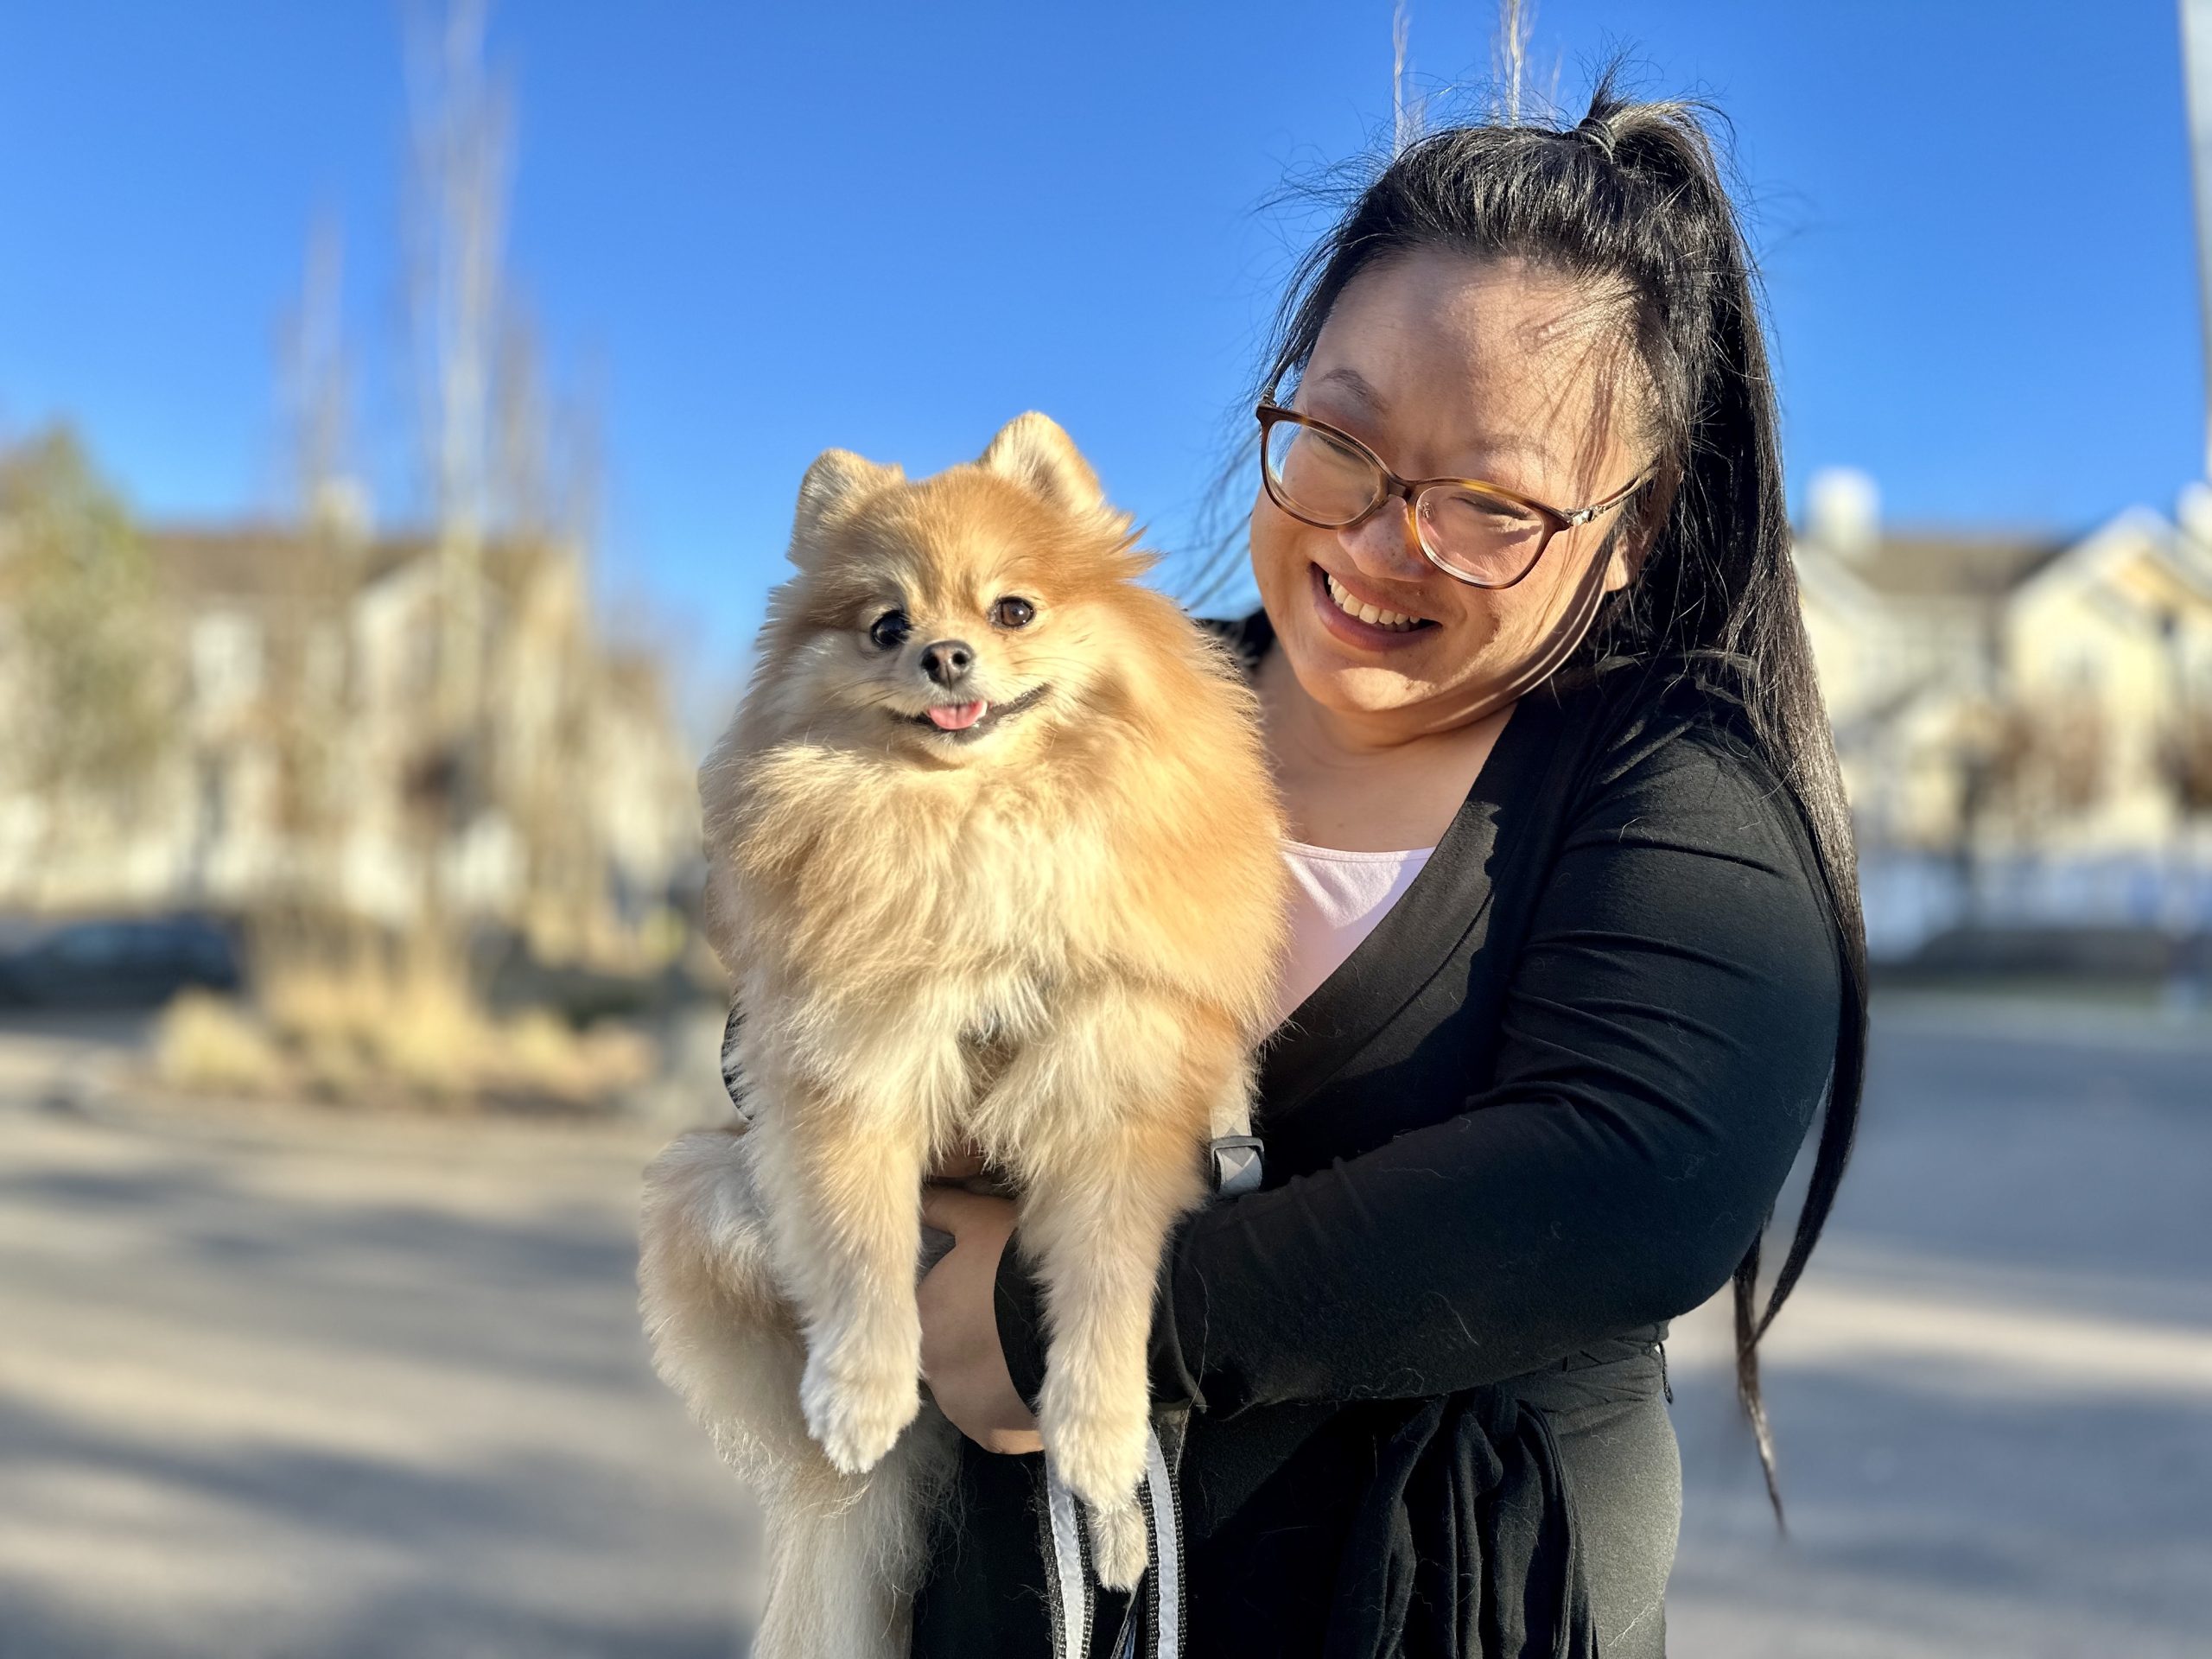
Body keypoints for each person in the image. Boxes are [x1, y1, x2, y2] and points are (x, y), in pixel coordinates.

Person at [909, 76, 1866, 1659]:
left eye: (1487, 503)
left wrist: (1068, 1320)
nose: (1372, 544)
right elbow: (801, 974)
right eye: (1339, 442)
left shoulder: (1671, 788)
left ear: (1635, 528)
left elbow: (1619, 1183)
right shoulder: (1087, 695)